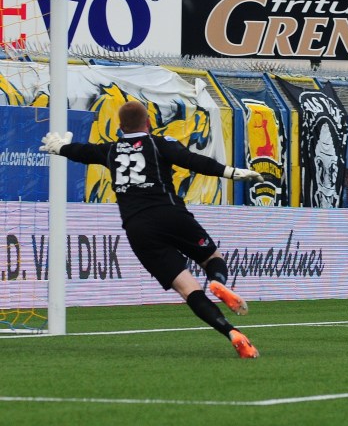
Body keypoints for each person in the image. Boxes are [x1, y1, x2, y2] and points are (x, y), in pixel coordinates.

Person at [39, 100, 264, 359]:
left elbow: (83, 152)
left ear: (120, 127)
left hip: (138, 227)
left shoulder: (110, 150)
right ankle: (217, 282)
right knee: (212, 259)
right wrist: (232, 172)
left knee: (187, 289)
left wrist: (60, 147)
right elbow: (192, 161)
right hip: (170, 214)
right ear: (148, 123)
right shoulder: (160, 143)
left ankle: (232, 333)